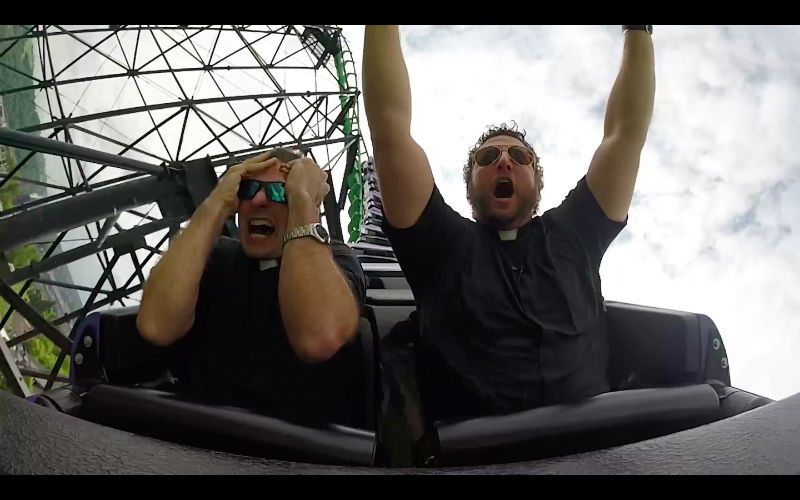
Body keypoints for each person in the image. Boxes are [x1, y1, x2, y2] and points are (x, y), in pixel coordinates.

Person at [362, 25, 655, 426]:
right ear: (469, 184)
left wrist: (637, 30)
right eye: (488, 157)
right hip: (477, 457)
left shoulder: (575, 234)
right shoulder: (441, 244)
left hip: (592, 448)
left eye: (519, 155)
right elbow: (389, 129)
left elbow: (625, 134)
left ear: (536, 179)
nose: (504, 161)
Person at [136, 148, 368, 427]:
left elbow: (318, 337)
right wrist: (216, 204)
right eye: (248, 189)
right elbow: (156, 325)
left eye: (280, 193)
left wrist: (305, 202)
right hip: (196, 442)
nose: (258, 200)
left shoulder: (335, 262)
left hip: (300, 457)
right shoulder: (214, 256)